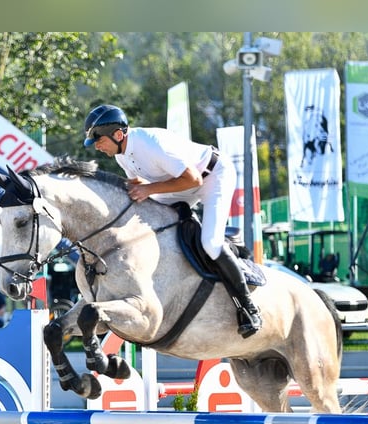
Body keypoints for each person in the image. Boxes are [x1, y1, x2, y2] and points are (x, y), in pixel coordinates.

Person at [83, 104, 261, 337]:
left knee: (210, 243)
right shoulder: (121, 155)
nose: (97, 146)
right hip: (178, 185)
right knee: (150, 224)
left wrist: (148, 190)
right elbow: (138, 186)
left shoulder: (149, 142)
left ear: (118, 134)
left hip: (212, 175)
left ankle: (248, 307)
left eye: (98, 139)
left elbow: (193, 179)